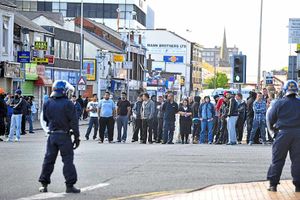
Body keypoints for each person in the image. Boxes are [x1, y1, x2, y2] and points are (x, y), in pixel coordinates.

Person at [38, 80, 80, 194]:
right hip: (64, 136)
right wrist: (77, 137)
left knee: (48, 160)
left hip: (52, 136)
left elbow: (46, 118)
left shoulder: (48, 102)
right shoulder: (68, 104)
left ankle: (44, 184)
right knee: (67, 160)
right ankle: (69, 185)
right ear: (64, 91)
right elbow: (74, 122)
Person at [266, 80, 300, 192]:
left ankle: (273, 185)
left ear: (285, 90)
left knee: (277, 160)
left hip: (282, 133)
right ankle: (298, 186)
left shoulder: (278, 103)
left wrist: (273, 133)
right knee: (298, 160)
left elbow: (270, 119)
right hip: (298, 134)